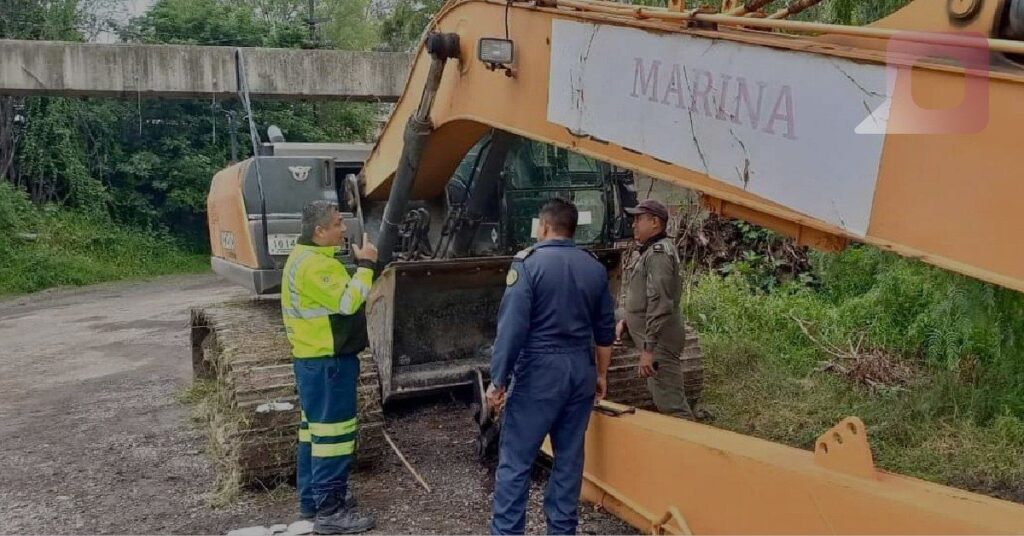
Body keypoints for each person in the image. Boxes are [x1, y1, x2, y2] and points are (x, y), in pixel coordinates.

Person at [487, 198, 616, 535]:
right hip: (580, 371)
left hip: (539, 372)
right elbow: (605, 332)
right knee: (569, 462)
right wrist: (600, 375)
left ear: (543, 227)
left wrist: (498, 381)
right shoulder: (594, 267)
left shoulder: (528, 265)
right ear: (572, 229)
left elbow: (512, 329)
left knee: (516, 461)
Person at [281, 200, 378, 535]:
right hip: (327, 364)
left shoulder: (308, 258)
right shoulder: (314, 267)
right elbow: (348, 302)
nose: (343, 228)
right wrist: (366, 266)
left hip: (314, 363)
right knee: (334, 438)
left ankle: (313, 501)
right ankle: (330, 512)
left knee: (314, 436)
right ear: (319, 231)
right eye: (337, 223)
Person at [616, 199, 695, 419]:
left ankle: (691, 449)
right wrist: (627, 323)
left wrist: (648, 350)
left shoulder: (659, 254)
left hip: (659, 342)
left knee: (672, 406)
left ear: (654, 222)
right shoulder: (651, 251)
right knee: (661, 395)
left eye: (638, 219)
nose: (633, 225)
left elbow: (661, 303)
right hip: (654, 337)